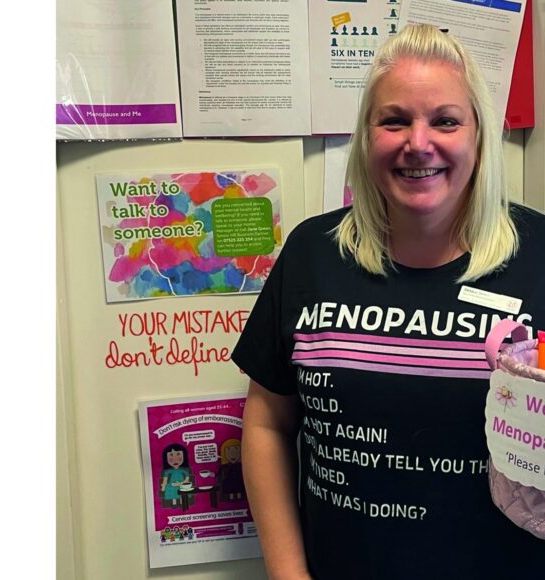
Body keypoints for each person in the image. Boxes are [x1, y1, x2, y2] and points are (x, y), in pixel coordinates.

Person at [233, 24, 545, 579]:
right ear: (366, 136)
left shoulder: (540, 255)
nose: (418, 143)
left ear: (478, 136)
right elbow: (267, 423)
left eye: (445, 121)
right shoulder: (312, 253)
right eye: (394, 120)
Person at [159, 443, 192, 508]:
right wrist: (163, 488)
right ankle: (174, 504)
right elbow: (165, 480)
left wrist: (183, 483)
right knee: (172, 492)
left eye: (178, 454)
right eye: (171, 455)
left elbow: (187, 477)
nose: (175, 459)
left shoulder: (183, 470)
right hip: (171, 485)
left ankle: (182, 503)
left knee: (182, 493)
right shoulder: (168, 471)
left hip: (182, 484)